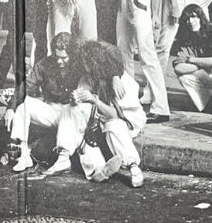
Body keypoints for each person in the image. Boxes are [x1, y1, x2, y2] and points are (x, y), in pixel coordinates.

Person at [49, 40, 147, 188]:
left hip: (125, 119)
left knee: (114, 126)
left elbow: (115, 115)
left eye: (87, 64)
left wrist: (95, 100)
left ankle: (134, 167)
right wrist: (75, 100)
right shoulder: (89, 76)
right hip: (99, 118)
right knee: (72, 112)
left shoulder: (120, 81)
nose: (85, 68)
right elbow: (82, 99)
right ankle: (68, 158)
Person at [116, 0, 171, 122]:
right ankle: (129, 102)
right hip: (124, 0)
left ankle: (161, 107)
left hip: (142, 1)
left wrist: (155, 14)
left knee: (147, 54)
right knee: (123, 52)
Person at [3, 32, 79, 172]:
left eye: (64, 58)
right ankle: (24, 154)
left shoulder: (79, 66)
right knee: (23, 107)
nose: (59, 61)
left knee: (72, 109)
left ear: (72, 54)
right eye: (56, 56)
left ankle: (64, 159)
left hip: (72, 115)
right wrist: (10, 108)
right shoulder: (45, 64)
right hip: (52, 111)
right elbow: (26, 86)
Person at [172, 4, 212, 115]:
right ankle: (208, 102)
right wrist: (203, 64)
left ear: (201, 17)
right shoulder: (187, 39)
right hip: (208, 74)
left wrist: (192, 60)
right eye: (187, 19)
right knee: (184, 77)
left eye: (194, 17)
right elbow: (178, 68)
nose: (191, 22)